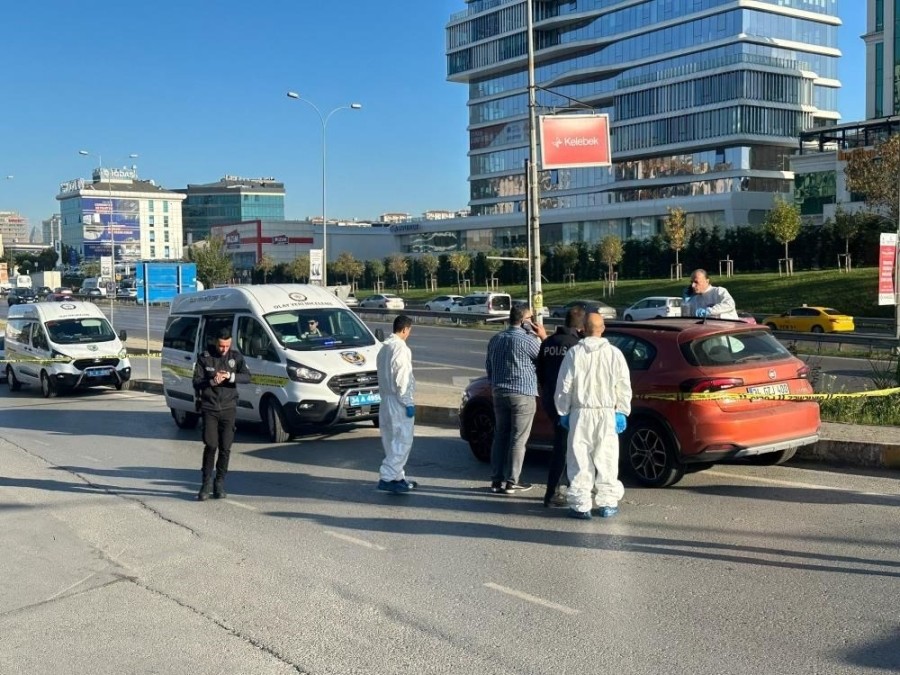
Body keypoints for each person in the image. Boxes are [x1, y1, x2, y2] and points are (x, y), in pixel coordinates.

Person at [555, 313, 632, 520]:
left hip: (580, 413)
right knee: (607, 458)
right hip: (607, 413)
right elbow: (623, 385)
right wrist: (621, 411)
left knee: (579, 459)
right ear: (603, 328)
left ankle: (581, 505)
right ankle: (608, 502)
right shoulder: (614, 354)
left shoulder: (574, 353)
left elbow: (564, 386)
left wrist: (563, 411)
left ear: (582, 329)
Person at [485, 305, 547, 495]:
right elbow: (545, 359)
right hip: (522, 394)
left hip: (499, 392)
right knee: (518, 439)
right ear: (523, 321)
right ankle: (512, 481)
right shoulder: (528, 340)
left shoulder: (496, 339)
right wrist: (543, 336)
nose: (533, 321)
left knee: (500, 436)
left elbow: (489, 367)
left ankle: (496, 480)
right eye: (531, 318)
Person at [192, 327, 251, 501]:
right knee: (211, 445)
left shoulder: (235, 357)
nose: (223, 349)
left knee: (225, 447)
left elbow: (247, 377)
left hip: (228, 408)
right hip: (210, 408)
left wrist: (230, 377)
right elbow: (196, 382)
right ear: (215, 342)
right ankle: (206, 484)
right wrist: (212, 381)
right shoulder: (205, 357)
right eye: (220, 346)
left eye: (226, 346)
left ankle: (219, 483)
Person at [536, 305, 585, 507]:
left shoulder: (548, 342)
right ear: (581, 326)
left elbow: (539, 372)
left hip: (551, 401)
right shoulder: (577, 345)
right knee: (566, 447)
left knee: (563, 444)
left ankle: (563, 489)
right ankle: (554, 492)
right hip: (570, 403)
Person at [376, 314, 418, 493]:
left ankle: (397, 476)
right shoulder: (400, 348)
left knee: (391, 441)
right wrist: (408, 402)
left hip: (386, 400)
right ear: (405, 329)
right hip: (398, 401)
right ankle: (387, 477)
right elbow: (402, 378)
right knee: (402, 440)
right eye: (409, 331)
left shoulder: (384, 348)